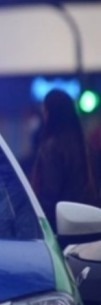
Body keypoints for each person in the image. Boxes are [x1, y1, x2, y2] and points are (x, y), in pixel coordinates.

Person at [29, 88, 98, 230]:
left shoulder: (51, 148)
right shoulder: (85, 148)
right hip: (88, 223)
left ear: (49, 114)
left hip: (58, 227)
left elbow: (49, 195)